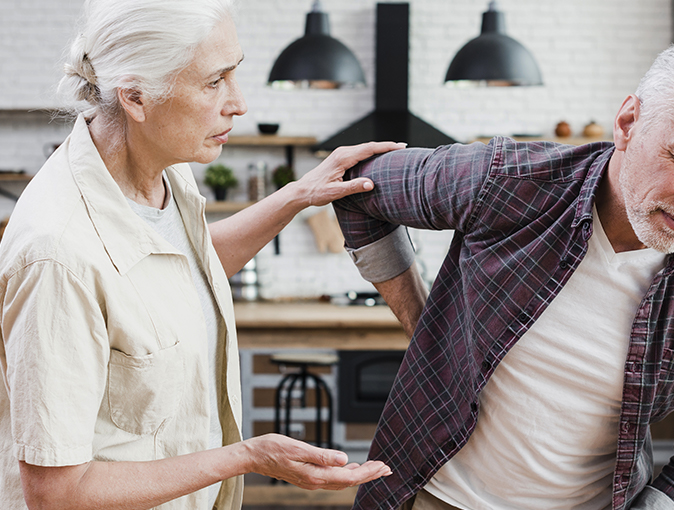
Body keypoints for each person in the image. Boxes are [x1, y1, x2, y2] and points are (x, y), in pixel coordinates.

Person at [333, 43, 674, 510]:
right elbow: (353, 185)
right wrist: (419, 318)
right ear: (629, 123)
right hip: (434, 497)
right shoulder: (508, 181)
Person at [0, 1, 403, 509]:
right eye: (214, 82)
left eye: (235, 73)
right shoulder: (56, 256)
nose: (238, 104)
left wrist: (297, 195)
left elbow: (179, 269)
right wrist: (246, 457)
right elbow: (56, 495)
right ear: (136, 97)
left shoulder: (162, 170)